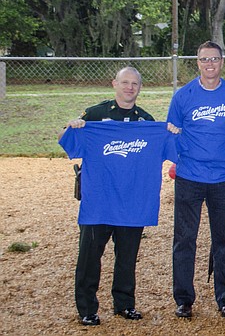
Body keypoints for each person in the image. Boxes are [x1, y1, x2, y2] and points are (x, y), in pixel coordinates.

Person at [60, 67, 172, 326]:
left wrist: (171, 132)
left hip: (132, 203)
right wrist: (72, 126)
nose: (129, 87)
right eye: (125, 82)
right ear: (115, 84)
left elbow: (166, 147)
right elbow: (66, 141)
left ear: (140, 88)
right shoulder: (96, 115)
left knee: (127, 256)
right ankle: (87, 308)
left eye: (135, 83)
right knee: (89, 256)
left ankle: (124, 303)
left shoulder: (146, 122)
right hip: (99, 202)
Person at [168, 41, 225, 319]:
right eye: (204, 59)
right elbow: (173, 133)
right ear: (197, 62)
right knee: (185, 239)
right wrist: (182, 162)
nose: (209, 64)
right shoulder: (183, 96)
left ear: (222, 62)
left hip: (223, 178)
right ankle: (184, 299)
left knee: (224, 240)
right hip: (189, 177)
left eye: (214, 59)